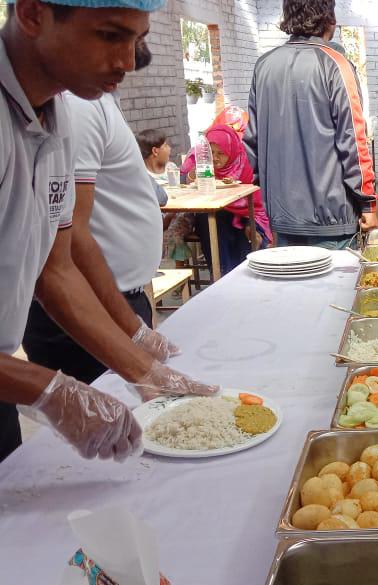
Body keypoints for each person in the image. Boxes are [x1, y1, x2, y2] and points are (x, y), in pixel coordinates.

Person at [1, 0, 217, 464]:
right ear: (33, 14)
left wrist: (142, 365)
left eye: (135, 40)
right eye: (109, 35)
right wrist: (48, 388)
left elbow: (55, 270)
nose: (126, 61)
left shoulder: (55, 115)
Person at [22, 42, 170, 386]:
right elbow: (68, 241)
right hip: (87, 311)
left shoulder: (83, 104)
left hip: (112, 303)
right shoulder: (79, 105)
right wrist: (129, 332)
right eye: (111, 35)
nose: (126, 64)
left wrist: (134, 329)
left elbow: (60, 253)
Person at [244, 0, 378, 249]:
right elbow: (354, 140)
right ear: (330, 18)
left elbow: (252, 142)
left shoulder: (264, 65)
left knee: (289, 286)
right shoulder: (336, 64)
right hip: (330, 219)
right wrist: (367, 203)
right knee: (335, 286)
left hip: (281, 217)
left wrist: (253, 205)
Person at [182, 123, 272, 274]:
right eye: (212, 153)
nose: (215, 158)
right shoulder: (202, 166)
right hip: (215, 218)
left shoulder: (245, 166)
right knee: (208, 219)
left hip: (244, 214)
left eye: (221, 153)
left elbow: (255, 203)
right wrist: (193, 175)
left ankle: (246, 274)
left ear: (231, 151)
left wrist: (250, 223)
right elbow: (183, 180)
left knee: (248, 231)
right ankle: (221, 273)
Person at [138, 128, 194, 266]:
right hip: (156, 217)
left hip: (179, 215)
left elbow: (182, 187)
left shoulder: (171, 168)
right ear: (155, 151)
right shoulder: (143, 174)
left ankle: (179, 279)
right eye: (166, 146)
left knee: (172, 235)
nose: (169, 149)